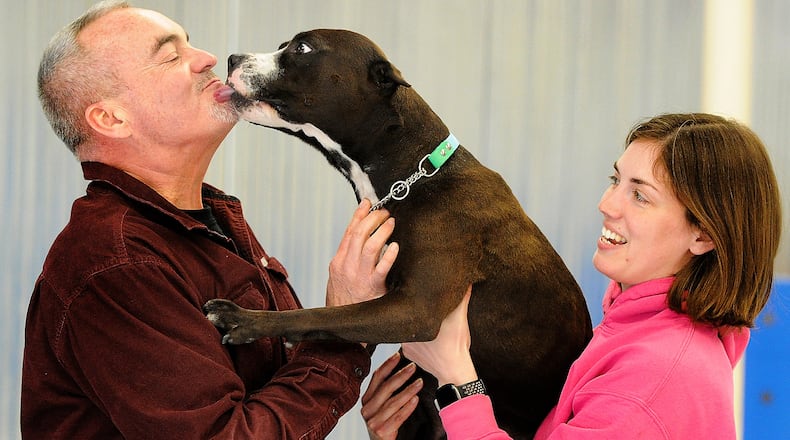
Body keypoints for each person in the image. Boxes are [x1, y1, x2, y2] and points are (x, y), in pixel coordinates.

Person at [22, 1, 399, 438]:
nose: (207, 59)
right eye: (170, 55)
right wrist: (344, 330)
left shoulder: (205, 221)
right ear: (111, 118)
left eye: (190, 44)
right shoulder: (118, 264)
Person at [361, 113, 782, 439]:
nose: (607, 203)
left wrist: (457, 380)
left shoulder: (657, 375)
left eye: (639, 195)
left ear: (703, 234)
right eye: (615, 180)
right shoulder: (636, 333)